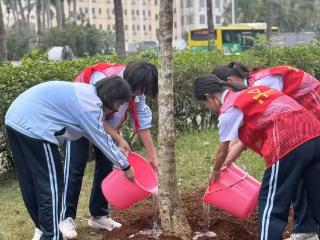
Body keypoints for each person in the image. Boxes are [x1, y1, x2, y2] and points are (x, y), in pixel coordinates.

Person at [5, 77, 135, 240]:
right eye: (118, 105)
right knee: (51, 186)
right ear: (111, 98)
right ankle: (51, 236)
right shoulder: (89, 107)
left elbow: (93, 133)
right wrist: (126, 167)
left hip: (15, 119)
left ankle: (43, 229)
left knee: (29, 181)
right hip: (35, 128)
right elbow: (101, 139)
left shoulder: (85, 93)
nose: (116, 111)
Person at [193, 75, 320, 240]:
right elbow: (239, 143)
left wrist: (216, 170)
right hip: (314, 135)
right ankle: (308, 231)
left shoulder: (228, 111)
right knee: (312, 189)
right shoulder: (253, 92)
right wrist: (228, 162)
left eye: (205, 105)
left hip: (287, 142)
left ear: (209, 96)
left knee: (270, 200)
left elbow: (222, 151)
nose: (208, 108)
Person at [59, 61, 158, 239]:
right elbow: (91, 112)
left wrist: (154, 157)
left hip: (108, 127)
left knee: (106, 167)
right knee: (75, 167)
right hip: (79, 121)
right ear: (130, 80)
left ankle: (99, 215)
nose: (139, 95)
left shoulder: (137, 91)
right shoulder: (103, 78)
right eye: (138, 90)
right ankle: (66, 217)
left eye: (143, 91)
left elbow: (142, 121)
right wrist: (118, 138)